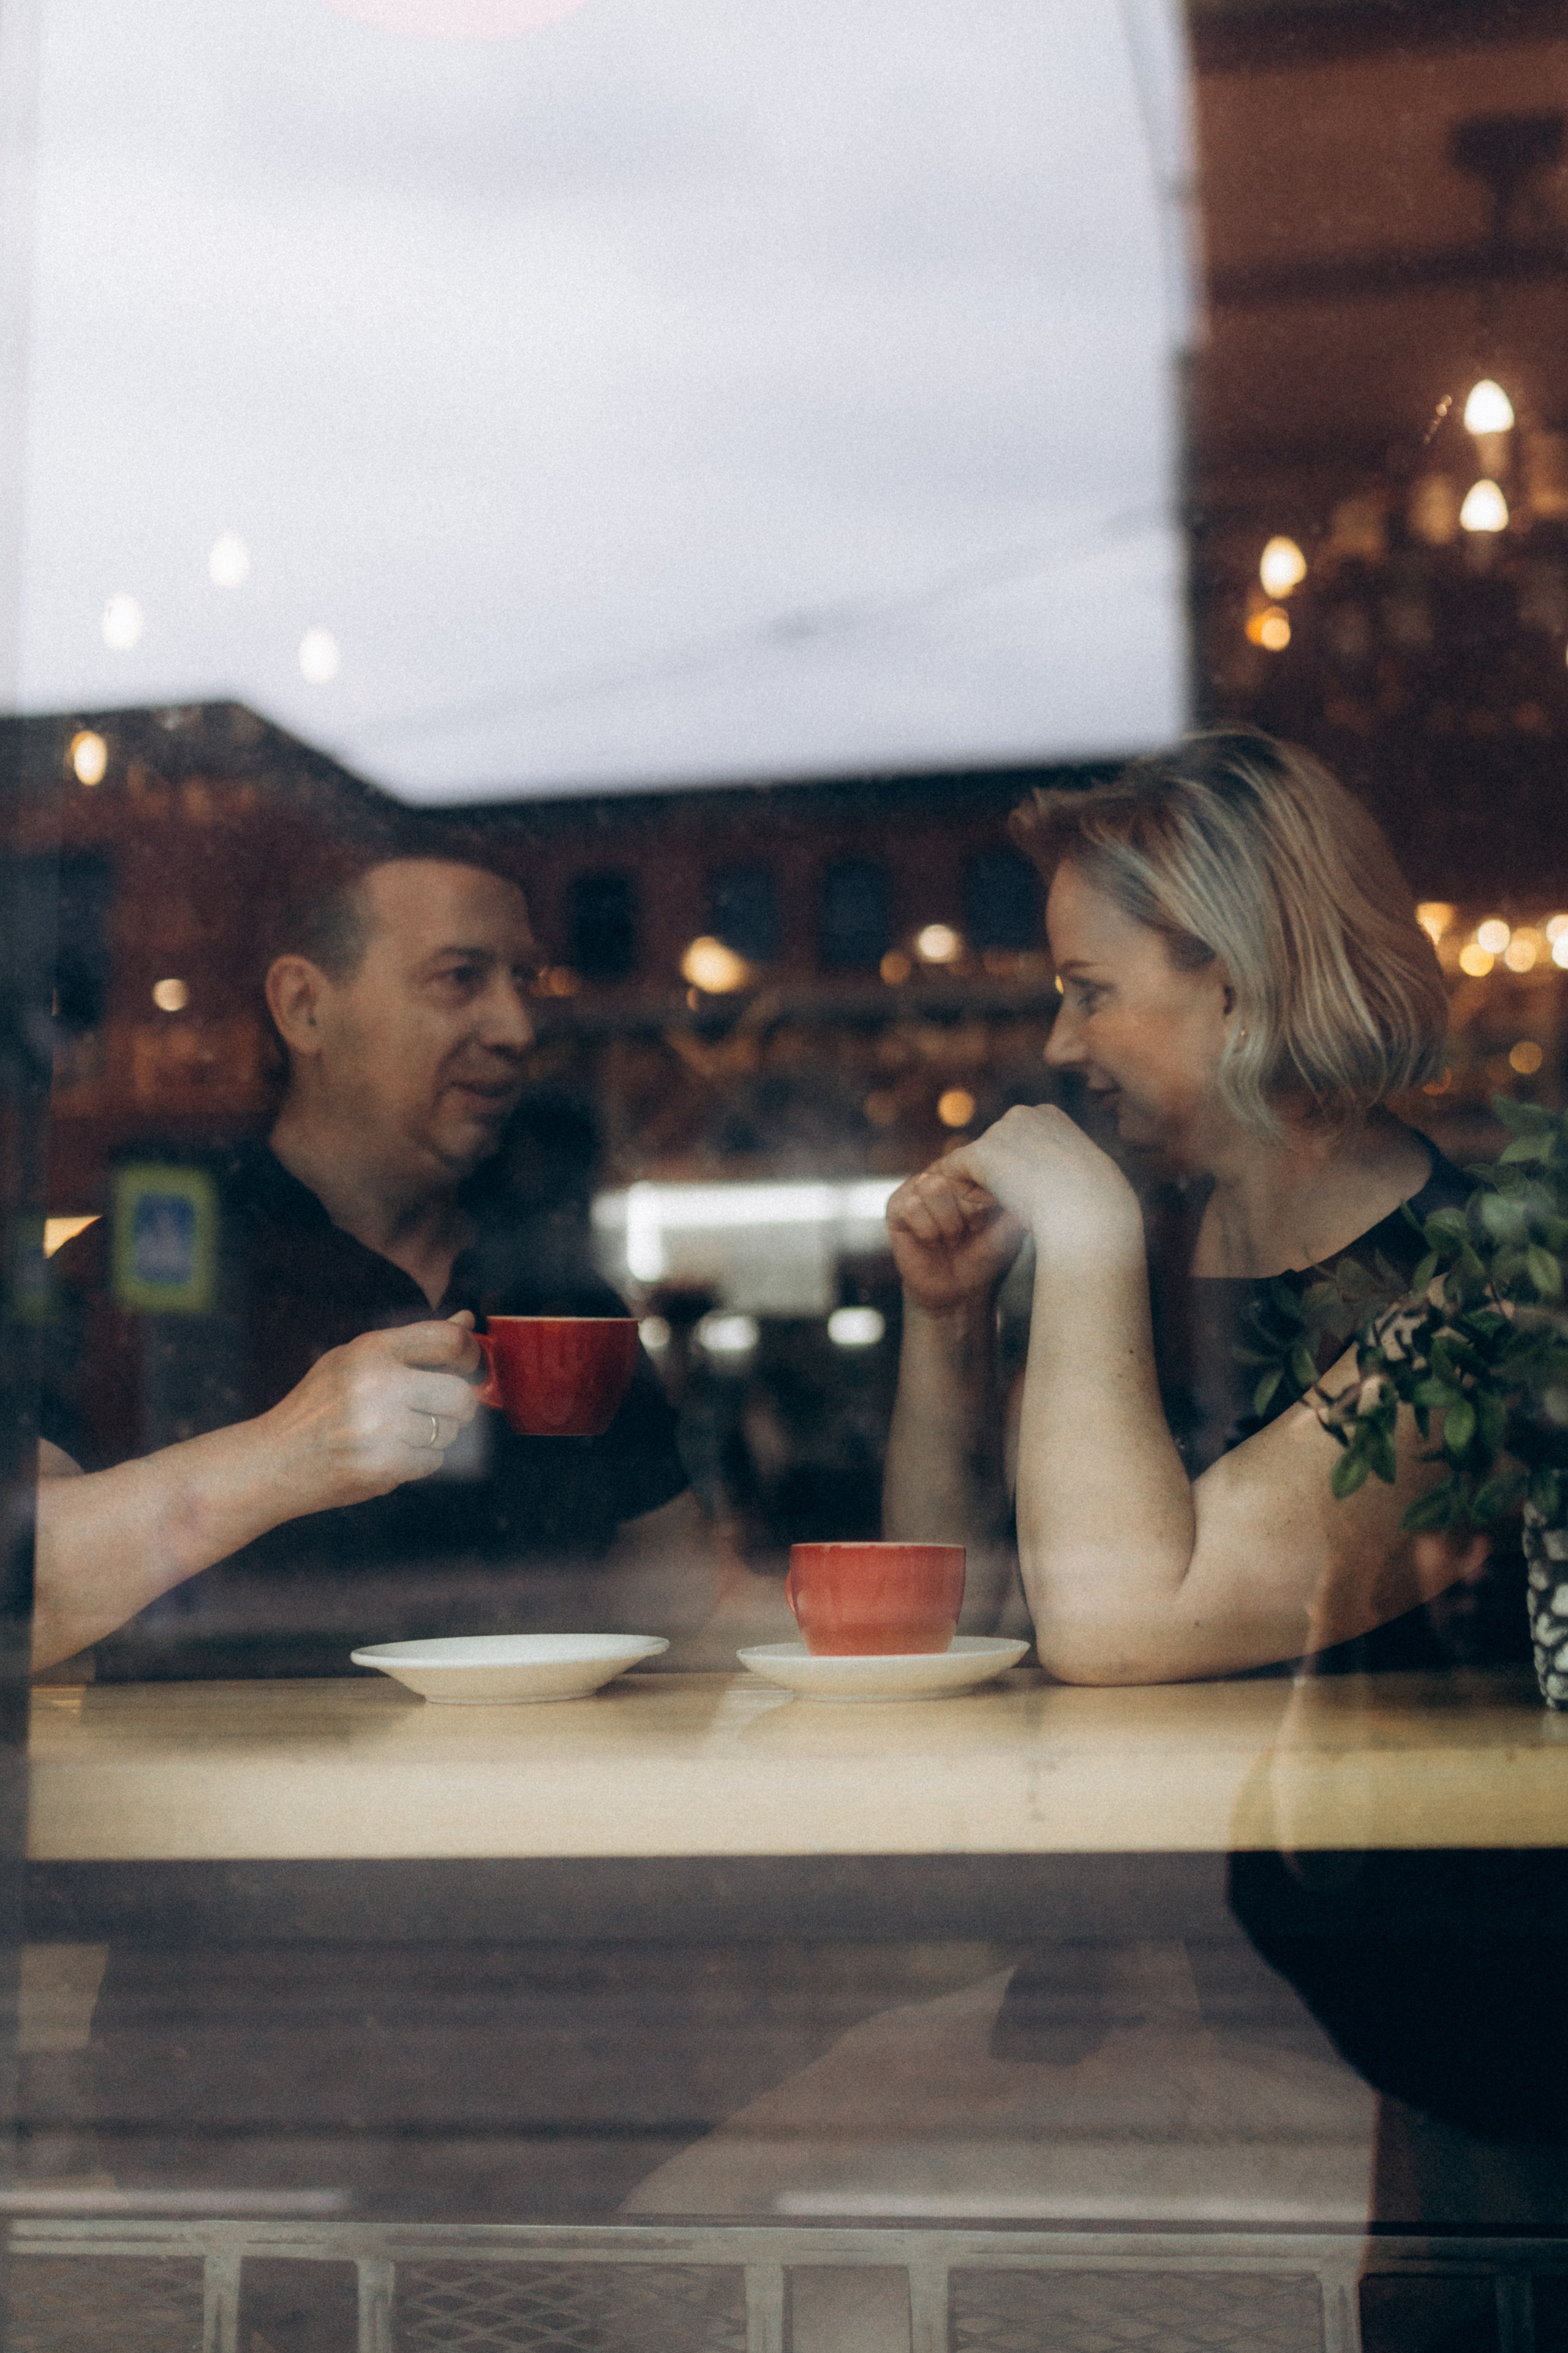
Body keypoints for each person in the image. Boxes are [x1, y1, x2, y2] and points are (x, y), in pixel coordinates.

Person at [884, 727, 1518, 1682]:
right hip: (1179, 1825)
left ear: (1235, 986)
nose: (1061, 1044)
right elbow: (939, 1625)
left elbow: (1116, 1629)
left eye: (1089, 993)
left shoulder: (1475, 1302)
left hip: (1401, 1826)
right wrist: (945, 1320)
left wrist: (1089, 1232)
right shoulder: (1165, 1227)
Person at [34, 838, 720, 1678]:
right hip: (233, 1806)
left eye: (524, 983)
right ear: (305, 1008)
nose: (517, 1028)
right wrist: (285, 1457)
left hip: (538, 1801)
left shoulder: (560, 1294)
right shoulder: (140, 1272)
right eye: (460, 977)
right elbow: (16, 1593)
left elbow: (690, 1611)